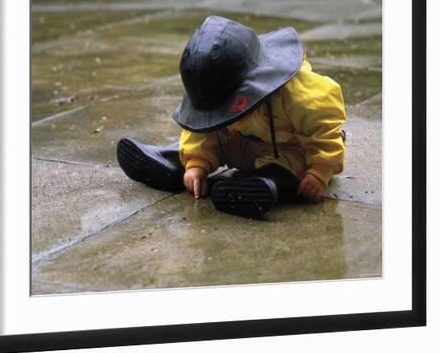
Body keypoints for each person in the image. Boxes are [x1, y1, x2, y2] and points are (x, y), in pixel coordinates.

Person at [116, 15, 346, 220]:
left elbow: (324, 131)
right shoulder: (215, 96)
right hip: (236, 140)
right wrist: (196, 163)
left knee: (288, 165)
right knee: (206, 134)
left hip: (287, 149)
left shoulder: (298, 93)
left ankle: (266, 184)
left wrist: (320, 171)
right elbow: (201, 128)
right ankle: (174, 162)